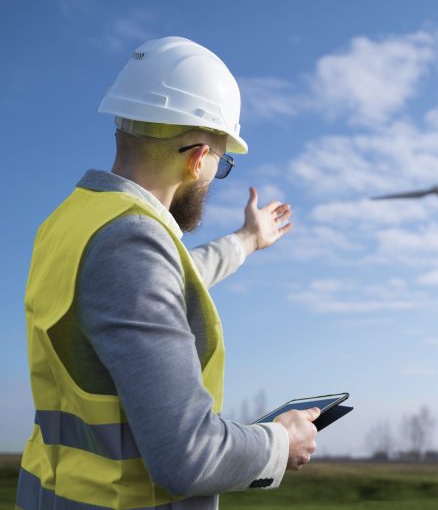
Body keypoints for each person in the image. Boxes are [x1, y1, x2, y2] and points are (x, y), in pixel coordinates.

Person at [17, 37, 319, 509]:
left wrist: (246, 240)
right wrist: (280, 442)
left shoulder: (73, 222)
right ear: (199, 158)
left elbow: (165, 283)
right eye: (222, 164)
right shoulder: (129, 244)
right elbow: (188, 455)